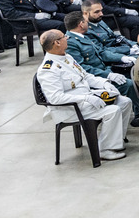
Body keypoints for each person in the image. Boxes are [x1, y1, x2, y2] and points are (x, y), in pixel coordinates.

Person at [37, 29, 133, 161]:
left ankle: (115, 139)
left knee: (124, 102)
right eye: (64, 37)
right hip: (69, 108)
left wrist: (104, 83)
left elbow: (86, 76)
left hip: (86, 97)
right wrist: (85, 98)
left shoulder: (67, 57)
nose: (67, 38)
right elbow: (55, 98)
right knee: (112, 110)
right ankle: (105, 150)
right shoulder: (48, 70)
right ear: (57, 43)